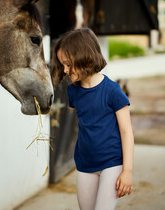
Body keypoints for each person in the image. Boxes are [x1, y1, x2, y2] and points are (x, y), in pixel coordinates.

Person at [51, 28, 134, 210]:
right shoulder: (73, 91)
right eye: (62, 65)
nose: (65, 70)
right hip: (84, 164)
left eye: (67, 64)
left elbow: (126, 132)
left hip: (112, 164)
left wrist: (127, 171)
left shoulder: (113, 91)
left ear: (85, 57)